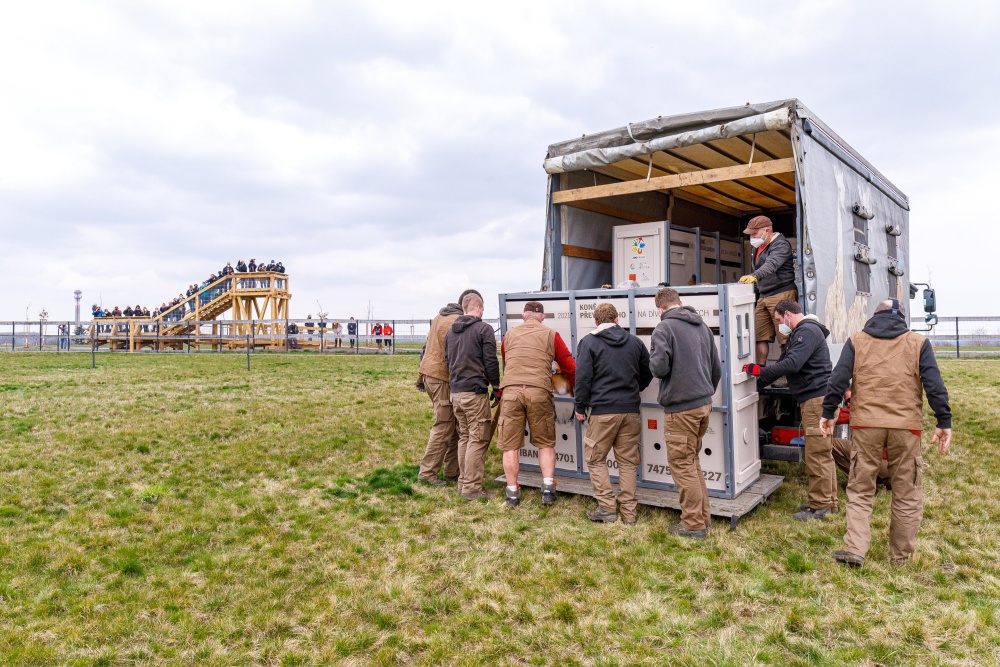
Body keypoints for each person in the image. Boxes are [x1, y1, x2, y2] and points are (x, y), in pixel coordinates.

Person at [820, 299, 952, 568]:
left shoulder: (856, 340)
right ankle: (899, 559)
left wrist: (827, 413)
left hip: (866, 426)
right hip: (907, 427)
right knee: (907, 492)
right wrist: (943, 421)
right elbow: (934, 384)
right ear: (902, 318)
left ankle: (855, 548)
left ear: (875, 316)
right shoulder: (918, 343)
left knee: (860, 489)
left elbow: (838, 378)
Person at [744, 299, 840, 520]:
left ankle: (820, 507)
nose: (779, 325)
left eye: (778, 320)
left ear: (788, 314)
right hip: (819, 399)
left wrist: (760, 370)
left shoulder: (805, 332)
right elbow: (788, 363)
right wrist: (762, 380)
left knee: (816, 455)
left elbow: (791, 364)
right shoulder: (807, 332)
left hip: (817, 402)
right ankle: (828, 502)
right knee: (824, 454)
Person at [649, 287, 722, 539]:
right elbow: (716, 367)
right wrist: (705, 391)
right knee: (692, 462)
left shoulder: (664, 329)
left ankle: (693, 525)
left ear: (659, 308)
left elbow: (658, 368)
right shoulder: (702, 326)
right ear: (680, 303)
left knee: (682, 464)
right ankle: (703, 518)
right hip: (703, 403)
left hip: (681, 408)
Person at [574, 303, 652, 525]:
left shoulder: (589, 342)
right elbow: (647, 373)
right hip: (631, 410)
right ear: (617, 320)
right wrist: (633, 391)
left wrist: (580, 407)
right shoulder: (635, 342)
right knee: (627, 462)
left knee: (595, 458)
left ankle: (607, 508)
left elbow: (583, 379)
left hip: (603, 412)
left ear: (596, 322)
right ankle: (629, 514)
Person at [497, 301, 577, 508]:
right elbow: (569, 365)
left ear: (524, 315)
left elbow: (506, 361)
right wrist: (575, 389)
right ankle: (548, 490)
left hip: (511, 392)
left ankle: (512, 493)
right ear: (541, 317)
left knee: (510, 446)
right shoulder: (551, 334)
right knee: (545, 442)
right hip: (539, 392)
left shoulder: (509, 336)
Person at [416, 290, 481, 486]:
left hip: (430, 375)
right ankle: (427, 474)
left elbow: (425, 348)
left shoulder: (440, 316)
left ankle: (452, 470)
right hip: (442, 377)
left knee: (454, 425)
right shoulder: (457, 321)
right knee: (444, 425)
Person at [444, 293, 501, 501]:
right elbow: (490, 361)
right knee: (477, 439)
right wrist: (496, 385)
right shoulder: (483, 329)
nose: (483, 311)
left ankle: (463, 483)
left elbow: (447, 360)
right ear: (479, 307)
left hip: (456, 392)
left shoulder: (451, 332)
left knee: (465, 438)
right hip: (475, 393)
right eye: (483, 308)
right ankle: (472, 488)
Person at [739, 215, 797, 366]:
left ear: (767, 230)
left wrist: (754, 276)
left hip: (782, 294)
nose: (752, 237)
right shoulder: (757, 248)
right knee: (760, 336)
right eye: (750, 234)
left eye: (754, 234)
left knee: (785, 337)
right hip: (764, 296)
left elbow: (771, 265)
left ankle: (786, 375)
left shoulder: (781, 245)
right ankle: (760, 375)